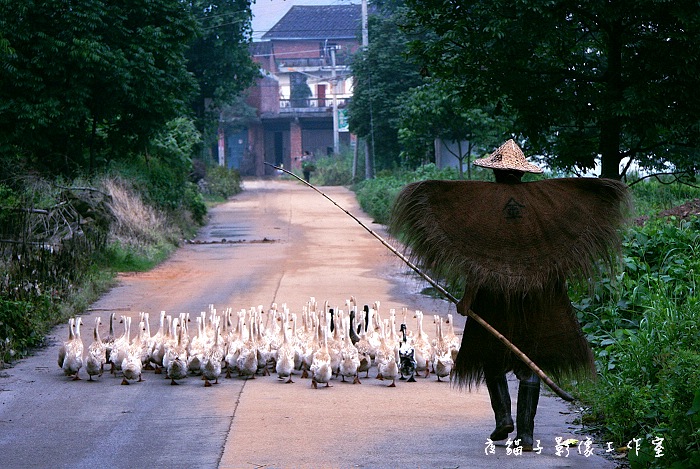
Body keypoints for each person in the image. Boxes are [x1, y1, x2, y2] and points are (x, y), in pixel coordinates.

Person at [389, 139, 630, 451]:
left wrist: (468, 298)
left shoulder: (481, 204)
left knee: (492, 359)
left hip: (494, 297)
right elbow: (559, 248)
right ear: (522, 172)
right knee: (529, 362)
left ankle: (503, 417)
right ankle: (526, 436)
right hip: (538, 297)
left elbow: (477, 259)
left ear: (496, 172)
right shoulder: (547, 201)